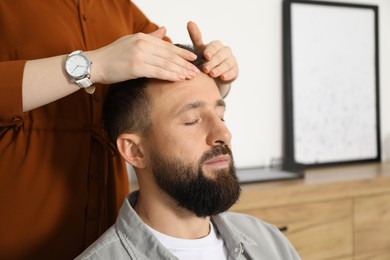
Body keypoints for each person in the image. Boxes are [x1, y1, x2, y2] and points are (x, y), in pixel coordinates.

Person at [0, 2, 239, 259]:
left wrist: (214, 77)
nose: (224, 134)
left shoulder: (120, 8)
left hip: (115, 232)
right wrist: (92, 64)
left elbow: (164, 97)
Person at [76, 44, 300, 260]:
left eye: (221, 116)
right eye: (192, 121)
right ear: (135, 151)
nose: (224, 133)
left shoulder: (269, 241)